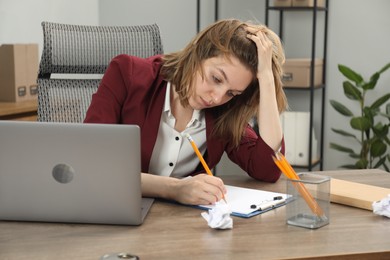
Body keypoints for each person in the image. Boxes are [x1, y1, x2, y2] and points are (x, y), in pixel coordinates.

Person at [84, 19, 288, 206]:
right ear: (198, 52)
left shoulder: (224, 112)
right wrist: (175, 189)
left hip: (181, 227)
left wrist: (267, 79)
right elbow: (92, 164)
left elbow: (267, 170)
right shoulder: (126, 73)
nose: (216, 98)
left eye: (232, 93)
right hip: (112, 211)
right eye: (216, 78)